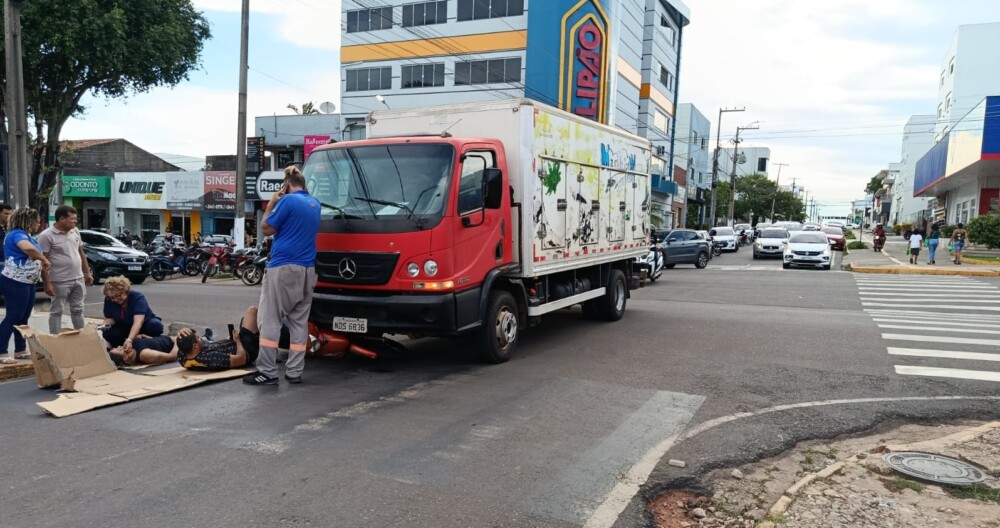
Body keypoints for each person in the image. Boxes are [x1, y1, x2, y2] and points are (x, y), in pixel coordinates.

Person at [244, 165, 320, 386]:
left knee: (271, 319)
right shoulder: (315, 204)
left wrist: (271, 203)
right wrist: (292, 176)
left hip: (284, 267)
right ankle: (294, 372)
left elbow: (266, 228)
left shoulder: (287, 201)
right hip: (308, 270)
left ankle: (267, 372)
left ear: (287, 186)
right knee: (299, 323)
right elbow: (299, 189)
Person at [0, 208, 51, 364]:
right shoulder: (17, 234)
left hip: (28, 281)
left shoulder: (27, 236)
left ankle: (20, 349)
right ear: (28, 222)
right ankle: (1, 350)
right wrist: (44, 259)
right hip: (15, 281)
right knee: (13, 315)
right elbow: (26, 248)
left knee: (23, 317)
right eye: (36, 222)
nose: (38, 225)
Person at [38, 205, 94, 334]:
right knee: (57, 311)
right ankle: (55, 338)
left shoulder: (75, 231)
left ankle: (81, 337)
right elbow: (43, 261)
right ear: (62, 219)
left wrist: (87, 272)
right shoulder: (46, 236)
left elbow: (81, 252)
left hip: (78, 278)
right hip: (59, 280)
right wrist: (47, 283)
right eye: (72, 219)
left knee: (78, 309)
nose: (75, 221)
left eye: (76, 219)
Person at [101, 276, 164, 350]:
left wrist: (130, 339)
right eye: (112, 297)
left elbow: (138, 322)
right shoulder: (109, 300)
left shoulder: (137, 297)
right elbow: (110, 318)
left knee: (155, 326)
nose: (115, 299)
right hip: (124, 325)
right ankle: (127, 342)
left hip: (143, 324)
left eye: (118, 295)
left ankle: (145, 340)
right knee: (108, 333)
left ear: (125, 291)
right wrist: (105, 325)